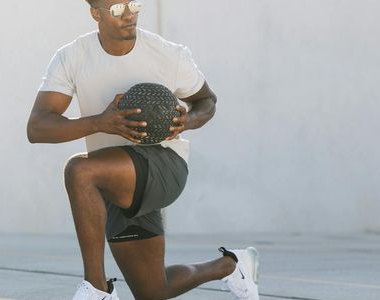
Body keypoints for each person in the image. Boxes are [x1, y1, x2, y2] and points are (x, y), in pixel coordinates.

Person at [26, 1, 260, 299]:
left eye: (134, 4)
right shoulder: (72, 57)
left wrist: (188, 120)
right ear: (95, 14)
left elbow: (207, 100)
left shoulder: (167, 54)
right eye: (116, 8)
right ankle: (233, 266)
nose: (128, 14)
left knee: (80, 170)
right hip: (115, 180)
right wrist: (100, 123)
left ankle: (96, 289)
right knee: (153, 290)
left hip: (165, 166)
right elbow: (38, 128)